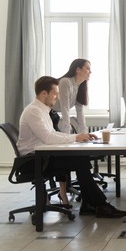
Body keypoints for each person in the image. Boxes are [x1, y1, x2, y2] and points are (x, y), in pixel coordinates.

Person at [17, 76, 126, 218]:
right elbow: (48, 138)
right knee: (80, 161)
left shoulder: (42, 110)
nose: (57, 98)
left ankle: (90, 204)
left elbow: (52, 134)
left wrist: (77, 137)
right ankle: (100, 205)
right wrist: (75, 138)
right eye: (55, 94)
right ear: (44, 93)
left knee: (80, 158)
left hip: (42, 156)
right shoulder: (34, 111)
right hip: (33, 161)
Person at [49, 59, 92, 207]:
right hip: (49, 118)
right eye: (87, 68)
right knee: (62, 153)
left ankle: (66, 190)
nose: (90, 72)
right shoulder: (66, 82)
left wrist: (84, 134)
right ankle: (62, 191)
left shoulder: (81, 85)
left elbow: (80, 112)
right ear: (78, 69)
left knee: (70, 152)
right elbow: (66, 109)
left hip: (58, 119)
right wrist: (68, 137)